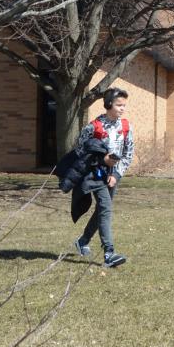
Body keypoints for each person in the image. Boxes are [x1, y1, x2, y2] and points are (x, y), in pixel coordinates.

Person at [70, 87, 135, 268]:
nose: (122, 108)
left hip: (114, 176)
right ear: (108, 105)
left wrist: (115, 174)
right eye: (118, 105)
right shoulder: (93, 127)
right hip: (95, 176)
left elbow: (128, 153)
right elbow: (79, 151)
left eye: (124, 105)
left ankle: (82, 241)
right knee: (106, 208)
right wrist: (100, 161)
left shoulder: (126, 127)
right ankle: (109, 253)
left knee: (101, 210)